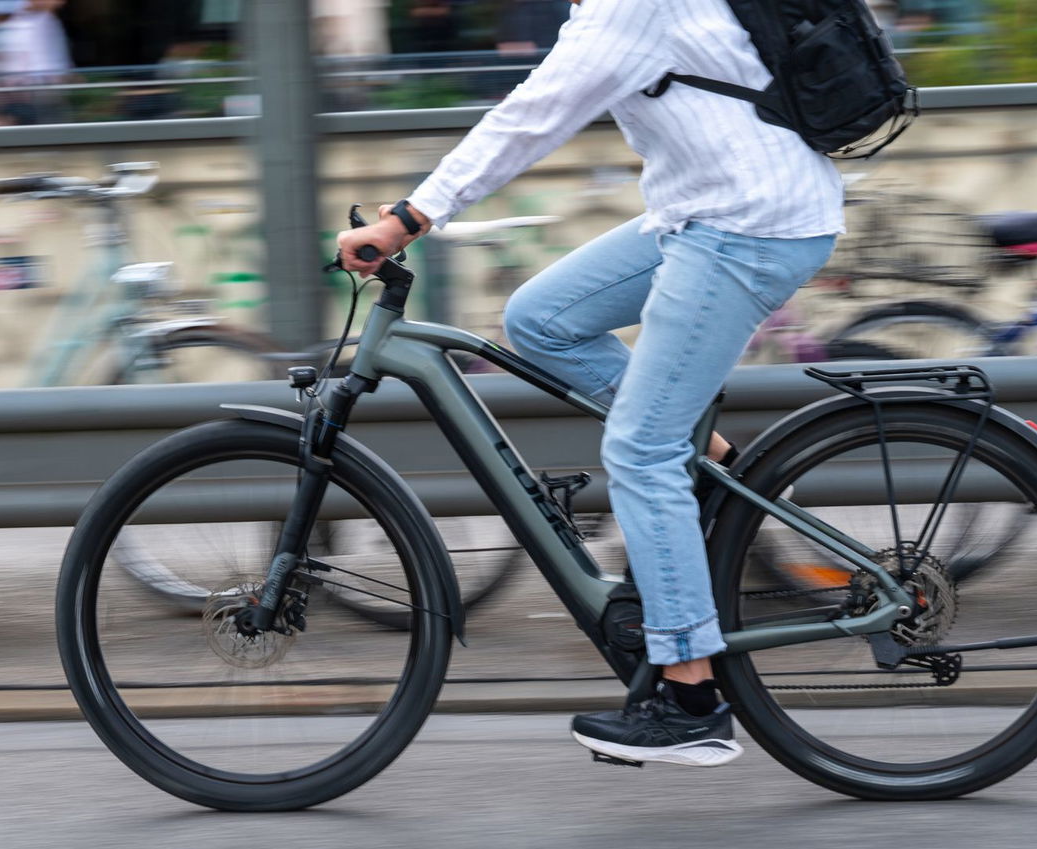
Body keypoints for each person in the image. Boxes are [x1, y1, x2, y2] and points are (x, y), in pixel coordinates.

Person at [337, 0, 841, 768]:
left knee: (640, 451)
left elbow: (533, 116)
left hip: (747, 223)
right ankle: (709, 466)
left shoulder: (629, 4)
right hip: (702, 210)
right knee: (543, 318)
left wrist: (409, 217)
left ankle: (689, 696)